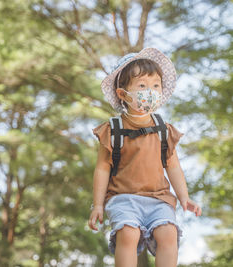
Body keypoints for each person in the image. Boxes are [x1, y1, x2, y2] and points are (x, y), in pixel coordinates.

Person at [88, 47, 202, 267]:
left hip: (159, 198)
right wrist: (97, 205)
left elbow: (173, 166)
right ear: (123, 94)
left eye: (155, 85)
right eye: (142, 86)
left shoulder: (163, 129)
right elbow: (102, 168)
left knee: (168, 234)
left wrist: (184, 197)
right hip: (123, 197)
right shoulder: (113, 130)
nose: (150, 91)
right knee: (128, 232)